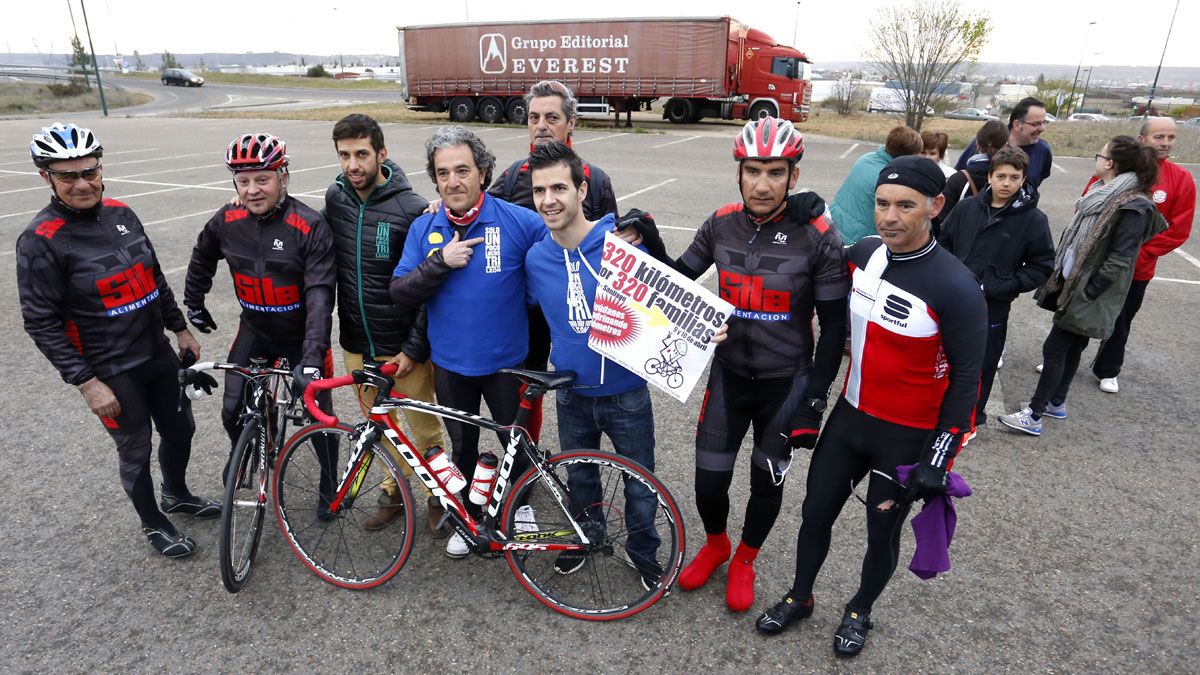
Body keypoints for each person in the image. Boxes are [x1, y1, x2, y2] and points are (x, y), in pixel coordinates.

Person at [756, 156, 986, 657]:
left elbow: (969, 381)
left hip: (906, 436)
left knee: (880, 534)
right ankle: (801, 595)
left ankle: (860, 609)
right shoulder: (864, 253)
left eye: (906, 206)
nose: (890, 217)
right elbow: (819, 256)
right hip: (850, 418)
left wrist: (940, 456)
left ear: (936, 206)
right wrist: (811, 214)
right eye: (882, 204)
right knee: (814, 515)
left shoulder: (955, 286)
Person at [651, 117, 849, 612]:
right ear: (738, 172)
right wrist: (647, 242)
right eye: (753, 171)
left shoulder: (819, 233)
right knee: (709, 481)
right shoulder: (720, 222)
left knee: (767, 480)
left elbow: (834, 330)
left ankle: (744, 558)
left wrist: (816, 399)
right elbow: (678, 278)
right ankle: (717, 543)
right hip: (729, 375)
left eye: (776, 173)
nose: (763, 184)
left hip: (787, 383)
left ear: (794, 177)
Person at [17, 123, 218, 558]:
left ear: (100, 168)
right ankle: (153, 523)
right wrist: (87, 384)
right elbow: (40, 321)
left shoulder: (122, 213)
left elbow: (155, 278)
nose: (82, 183)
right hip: (110, 369)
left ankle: (177, 494)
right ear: (46, 177)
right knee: (135, 448)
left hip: (156, 354)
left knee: (181, 429)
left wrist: (180, 328)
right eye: (68, 176)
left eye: (89, 172)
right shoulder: (40, 241)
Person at [389, 126, 547, 559]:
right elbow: (399, 291)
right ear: (435, 180)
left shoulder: (519, 220)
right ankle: (470, 518)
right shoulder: (425, 227)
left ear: (483, 172)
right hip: (451, 366)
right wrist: (439, 263)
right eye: (443, 173)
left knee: (518, 446)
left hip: (506, 366)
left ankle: (520, 509)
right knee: (463, 449)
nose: (453, 181)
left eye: (462, 170)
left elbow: (562, 247)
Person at [523, 141, 667, 589]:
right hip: (571, 394)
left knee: (640, 486)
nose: (549, 200)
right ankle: (587, 537)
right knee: (579, 477)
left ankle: (643, 551)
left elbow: (672, 301)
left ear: (583, 190)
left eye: (560, 188)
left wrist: (704, 332)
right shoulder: (536, 259)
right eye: (540, 190)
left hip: (626, 394)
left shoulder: (621, 247)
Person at [323, 114, 448, 536]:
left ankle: (439, 497)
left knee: (424, 426)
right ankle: (394, 491)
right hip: (357, 341)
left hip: (401, 346)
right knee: (380, 426)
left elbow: (428, 289)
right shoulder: (335, 198)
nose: (353, 164)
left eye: (362, 154)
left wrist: (415, 348)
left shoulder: (412, 208)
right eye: (345, 155)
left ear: (382, 154)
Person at [184, 133, 337, 472]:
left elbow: (320, 297)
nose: (252, 190)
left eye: (262, 179)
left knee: (318, 416)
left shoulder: (310, 225)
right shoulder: (228, 219)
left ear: (283, 177)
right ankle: (246, 449)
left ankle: (329, 486)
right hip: (255, 329)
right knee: (231, 408)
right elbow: (202, 254)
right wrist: (194, 300)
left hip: (301, 336)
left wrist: (312, 360)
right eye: (243, 181)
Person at [1000, 136, 1165, 436]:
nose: (1097, 160)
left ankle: (1034, 415)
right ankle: (1056, 402)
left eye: (1100, 155)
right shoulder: (1105, 193)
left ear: (1111, 163)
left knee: (1055, 348)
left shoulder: (1132, 205)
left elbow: (1120, 259)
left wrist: (1089, 291)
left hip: (1089, 291)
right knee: (1073, 346)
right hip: (1079, 284)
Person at [488, 80, 620, 441]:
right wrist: (440, 205)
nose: (541, 125)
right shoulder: (514, 174)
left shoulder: (595, 179)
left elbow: (615, 249)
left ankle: (589, 444)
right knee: (528, 383)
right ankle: (527, 459)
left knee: (581, 381)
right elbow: (479, 209)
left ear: (571, 122)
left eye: (551, 117)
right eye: (533, 117)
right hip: (529, 303)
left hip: (577, 306)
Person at [938, 146, 1054, 432]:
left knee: (982, 366)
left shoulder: (1033, 220)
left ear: (1023, 178)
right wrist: (949, 275)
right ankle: (938, 410)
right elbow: (943, 244)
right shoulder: (967, 208)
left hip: (994, 305)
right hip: (954, 302)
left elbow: (1042, 265)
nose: (1006, 183)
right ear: (989, 176)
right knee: (944, 357)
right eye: (1000, 176)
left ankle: (971, 419)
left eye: (1014, 177)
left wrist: (1008, 285)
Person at [1089, 117, 1195, 394]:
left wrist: (1136, 255)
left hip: (1138, 268)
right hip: (1097, 259)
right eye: (1159, 137)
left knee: (1121, 319)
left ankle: (1108, 369)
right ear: (1141, 138)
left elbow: (1177, 230)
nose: (1166, 143)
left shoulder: (1180, 179)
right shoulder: (1116, 167)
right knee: (1080, 306)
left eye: (1171, 137)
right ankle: (1061, 358)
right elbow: (1088, 206)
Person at [829, 126, 923, 245]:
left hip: (834, 226)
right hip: (857, 239)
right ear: (907, 156)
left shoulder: (866, 158)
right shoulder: (890, 178)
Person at [955, 97, 1053, 187]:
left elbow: (1037, 181)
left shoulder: (1043, 150)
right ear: (1017, 125)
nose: (1042, 128)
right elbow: (958, 177)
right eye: (1035, 124)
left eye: (1044, 122)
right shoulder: (986, 141)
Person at [935, 120, 1009, 232]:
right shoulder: (1014, 182)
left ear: (977, 144)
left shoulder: (959, 179)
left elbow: (940, 219)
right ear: (1006, 145)